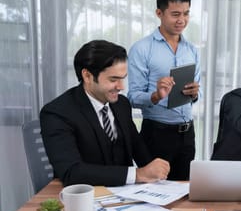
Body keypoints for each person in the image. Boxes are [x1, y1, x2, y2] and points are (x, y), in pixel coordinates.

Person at [40, 40, 170, 186]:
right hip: (86, 199)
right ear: (87, 76)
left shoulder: (122, 104)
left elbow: (139, 150)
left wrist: (157, 171)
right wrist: (138, 174)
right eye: (113, 79)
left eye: (123, 79)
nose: (121, 87)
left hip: (127, 197)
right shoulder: (57, 113)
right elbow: (71, 172)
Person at [128, 0, 201, 181]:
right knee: (154, 194)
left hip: (187, 134)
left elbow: (197, 94)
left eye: (186, 13)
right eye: (175, 14)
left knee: (185, 191)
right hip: (157, 134)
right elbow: (133, 97)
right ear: (159, 13)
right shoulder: (141, 49)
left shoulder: (192, 50)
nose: (182, 20)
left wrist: (195, 94)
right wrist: (156, 95)